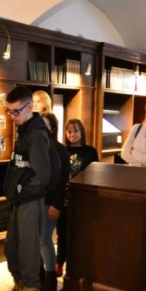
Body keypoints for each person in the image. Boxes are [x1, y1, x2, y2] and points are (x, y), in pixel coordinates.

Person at [0, 85, 51, 291]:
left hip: (30, 199)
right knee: (13, 246)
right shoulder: (24, 130)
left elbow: (42, 176)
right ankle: (20, 285)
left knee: (28, 247)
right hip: (19, 199)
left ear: (30, 107)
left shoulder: (37, 134)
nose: (12, 117)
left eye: (16, 111)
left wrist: (21, 190)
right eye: (9, 112)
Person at [55, 118, 98, 276]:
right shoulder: (61, 150)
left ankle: (77, 265)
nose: (72, 134)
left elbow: (95, 174)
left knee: (81, 234)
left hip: (82, 199)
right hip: (63, 198)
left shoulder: (90, 151)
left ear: (82, 132)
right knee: (62, 234)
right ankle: (59, 262)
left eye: (75, 131)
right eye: (69, 131)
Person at [39, 112, 70, 291]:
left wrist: (56, 204)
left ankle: (51, 277)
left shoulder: (59, 149)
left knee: (44, 238)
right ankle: (40, 275)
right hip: (36, 200)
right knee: (37, 239)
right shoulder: (37, 147)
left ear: (52, 129)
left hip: (50, 202)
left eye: (45, 125)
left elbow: (63, 179)